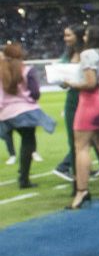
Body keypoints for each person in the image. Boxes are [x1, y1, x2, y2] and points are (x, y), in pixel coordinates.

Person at [63, 25, 99, 208]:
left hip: (89, 102)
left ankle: (82, 191)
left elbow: (90, 83)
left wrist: (71, 83)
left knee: (81, 147)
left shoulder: (88, 54)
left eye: (85, 34)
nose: (83, 37)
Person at [0, 43, 56, 189]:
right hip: (25, 112)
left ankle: (21, 174)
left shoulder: (1, 71)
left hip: (6, 113)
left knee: (19, 140)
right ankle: (23, 178)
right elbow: (35, 93)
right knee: (29, 142)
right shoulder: (27, 70)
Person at [52, 24, 87, 182]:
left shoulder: (88, 53)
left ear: (78, 35)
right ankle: (77, 178)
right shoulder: (67, 55)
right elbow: (62, 81)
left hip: (89, 98)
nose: (65, 39)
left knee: (97, 141)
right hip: (72, 100)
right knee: (74, 141)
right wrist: (61, 80)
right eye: (65, 35)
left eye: (69, 35)